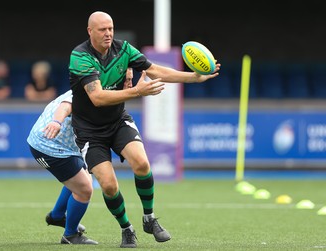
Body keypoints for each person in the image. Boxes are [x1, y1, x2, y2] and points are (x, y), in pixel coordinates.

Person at [68, 11, 221, 248]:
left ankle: (149, 218)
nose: (108, 33)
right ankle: (126, 228)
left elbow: (154, 70)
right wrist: (137, 92)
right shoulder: (80, 56)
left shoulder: (124, 49)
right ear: (90, 31)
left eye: (110, 28)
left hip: (118, 121)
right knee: (108, 184)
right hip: (89, 132)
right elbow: (97, 97)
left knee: (141, 163)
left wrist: (194, 77)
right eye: (102, 29)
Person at [26, 90, 98, 245]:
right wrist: (57, 122)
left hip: (63, 146)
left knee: (84, 179)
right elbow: (66, 105)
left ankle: (57, 216)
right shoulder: (89, 90)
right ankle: (70, 235)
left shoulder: (95, 85)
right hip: (48, 145)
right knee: (84, 189)